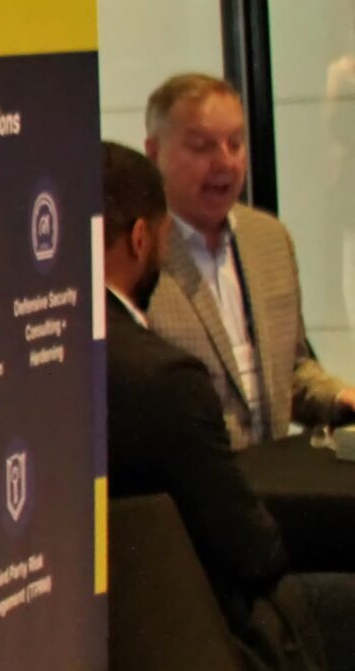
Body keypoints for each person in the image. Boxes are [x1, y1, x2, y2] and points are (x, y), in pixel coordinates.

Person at [103, 141, 355, 671]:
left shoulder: (22, 361)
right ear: (142, 237)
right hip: (207, 650)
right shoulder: (159, 379)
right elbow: (249, 547)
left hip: (105, 657)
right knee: (321, 608)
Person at [144, 72, 355, 447]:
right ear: (154, 152)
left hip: (275, 473)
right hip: (191, 476)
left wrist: (339, 398)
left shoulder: (269, 239)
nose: (224, 162)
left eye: (235, 144)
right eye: (202, 147)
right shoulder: (136, 253)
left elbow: (291, 371)